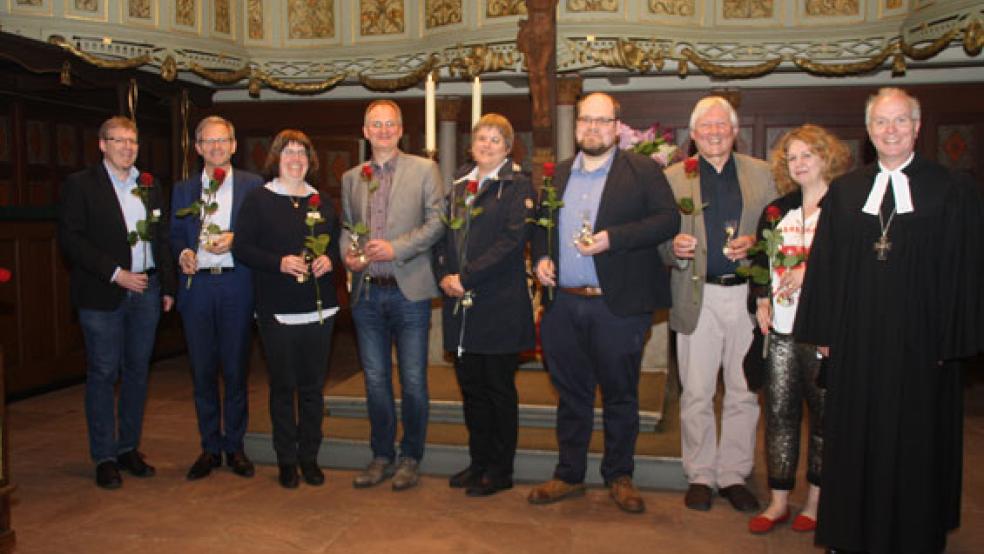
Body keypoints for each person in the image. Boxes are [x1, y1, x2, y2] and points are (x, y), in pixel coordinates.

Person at [795, 87, 983, 554]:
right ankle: (851, 533)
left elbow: (967, 269)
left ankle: (914, 536)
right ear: (869, 130)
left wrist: (951, 340)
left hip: (922, 344)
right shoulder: (847, 192)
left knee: (916, 442)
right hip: (857, 342)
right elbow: (827, 267)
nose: (891, 130)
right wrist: (824, 334)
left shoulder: (951, 189)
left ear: (918, 128)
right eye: (882, 122)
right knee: (854, 438)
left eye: (901, 121)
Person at [528, 92, 679, 513]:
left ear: (616, 126)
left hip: (618, 304)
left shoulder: (643, 170)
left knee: (620, 395)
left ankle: (619, 475)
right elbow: (540, 225)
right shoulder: (556, 175)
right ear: (575, 126)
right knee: (571, 396)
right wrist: (541, 257)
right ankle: (568, 474)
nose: (592, 128)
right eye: (585, 121)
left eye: (601, 120)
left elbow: (668, 220)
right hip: (563, 305)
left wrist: (614, 238)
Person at [659, 95, 777, 512]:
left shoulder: (763, 175)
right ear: (693, 135)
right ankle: (701, 473)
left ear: (734, 131)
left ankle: (733, 474)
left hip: (746, 297)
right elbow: (656, 237)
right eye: (705, 127)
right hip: (696, 295)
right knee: (696, 391)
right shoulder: (674, 178)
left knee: (744, 390)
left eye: (721, 126)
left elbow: (781, 231)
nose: (713, 133)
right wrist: (672, 247)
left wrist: (759, 244)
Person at [57, 115, 177, 489]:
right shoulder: (80, 185)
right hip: (102, 293)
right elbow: (72, 240)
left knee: (138, 372)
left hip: (147, 292)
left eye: (133, 141)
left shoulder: (149, 184)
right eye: (119, 140)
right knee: (104, 372)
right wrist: (115, 273)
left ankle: (128, 448)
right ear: (102, 144)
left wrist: (168, 286)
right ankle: (104, 456)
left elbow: (162, 238)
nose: (128, 147)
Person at [745, 125, 851, 534]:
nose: (800, 163)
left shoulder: (843, 208)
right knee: (779, 415)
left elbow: (853, 268)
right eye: (793, 157)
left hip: (824, 332)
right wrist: (760, 299)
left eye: (809, 154)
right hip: (782, 331)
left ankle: (817, 501)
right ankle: (778, 501)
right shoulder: (777, 209)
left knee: (824, 419)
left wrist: (811, 271)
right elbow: (759, 262)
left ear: (827, 157)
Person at [340, 100, 445, 491]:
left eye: (390, 124)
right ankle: (381, 454)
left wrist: (396, 248)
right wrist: (348, 256)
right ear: (365, 131)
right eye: (375, 124)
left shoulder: (424, 170)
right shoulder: (353, 176)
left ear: (400, 130)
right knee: (375, 381)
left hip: (409, 292)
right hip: (367, 294)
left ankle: (411, 457)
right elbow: (346, 228)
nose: (383, 130)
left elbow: (438, 223)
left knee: (414, 380)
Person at [432, 114, 535, 497]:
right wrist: (443, 273)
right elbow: (442, 236)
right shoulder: (459, 185)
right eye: (481, 139)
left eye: (496, 140)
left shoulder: (517, 187)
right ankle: (478, 463)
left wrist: (467, 277)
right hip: (460, 305)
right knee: (471, 389)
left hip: (498, 304)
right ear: (471, 145)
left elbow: (511, 243)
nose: (487, 145)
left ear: (508, 148)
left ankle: (500, 469)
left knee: (497, 389)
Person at [233, 129, 341, 489]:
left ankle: (309, 457)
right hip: (277, 309)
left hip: (319, 308)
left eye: (302, 153)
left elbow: (338, 243)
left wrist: (331, 259)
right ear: (275, 158)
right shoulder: (258, 200)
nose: (296, 159)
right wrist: (278, 262)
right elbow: (243, 248)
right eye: (288, 152)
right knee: (283, 387)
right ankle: (286, 460)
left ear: (310, 160)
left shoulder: (322, 201)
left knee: (312, 389)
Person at [170, 116, 264, 481]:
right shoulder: (183, 189)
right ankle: (210, 445)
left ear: (234, 145)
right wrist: (183, 254)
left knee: (236, 369)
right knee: (202, 370)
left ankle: (235, 446)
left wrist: (236, 239)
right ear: (197, 148)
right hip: (198, 288)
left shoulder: (253, 186)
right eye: (208, 142)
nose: (216, 147)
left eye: (223, 140)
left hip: (237, 284)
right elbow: (175, 234)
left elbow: (263, 233)